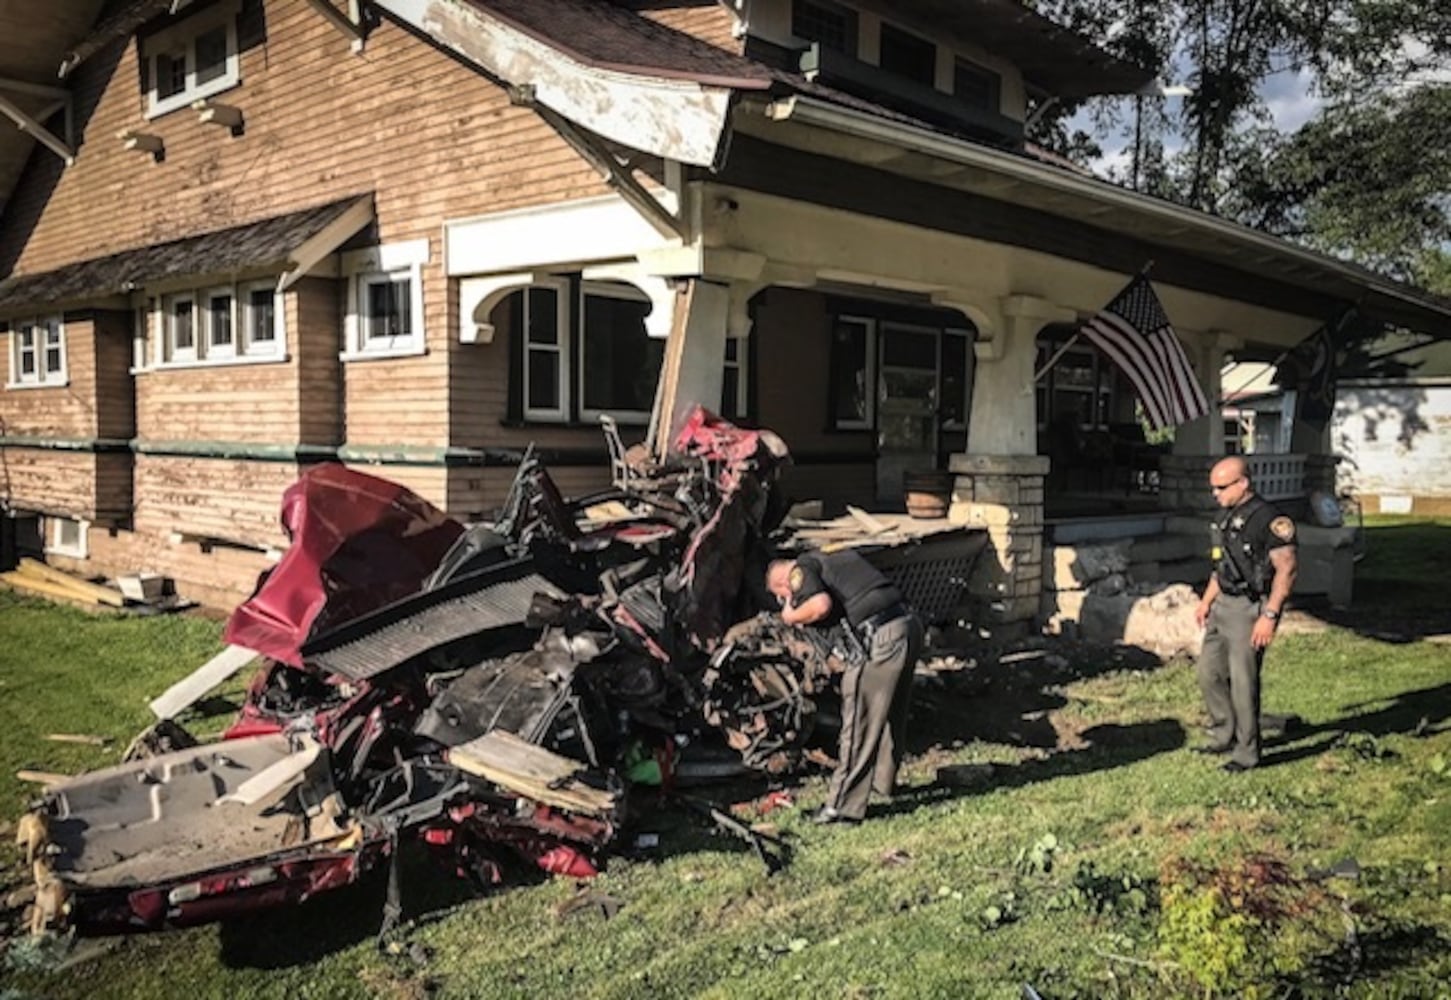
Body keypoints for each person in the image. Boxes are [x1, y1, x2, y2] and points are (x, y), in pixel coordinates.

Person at [766, 549, 923, 824]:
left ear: (782, 584)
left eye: (782, 595)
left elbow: (821, 605)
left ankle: (842, 806)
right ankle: (882, 784)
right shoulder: (834, 558)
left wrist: (790, 616)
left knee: (860, 719)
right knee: (890, 712)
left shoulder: (800, 570)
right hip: (907, 625)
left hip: (879, 638)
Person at [1194, 456, 1298, 772]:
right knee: (1208, 672)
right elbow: (1223, 565)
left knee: (1243, 682)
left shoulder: (1270, 519)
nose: (1216, 494)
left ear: (1243, 483)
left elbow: (1287, 569)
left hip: (1249, 608)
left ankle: (1247, 752)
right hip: (1223, 603)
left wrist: (1269, 615)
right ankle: (1223, 731)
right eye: (1213, 488)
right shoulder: (1225, 516)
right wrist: (1206, 601)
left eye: (1222, 487)